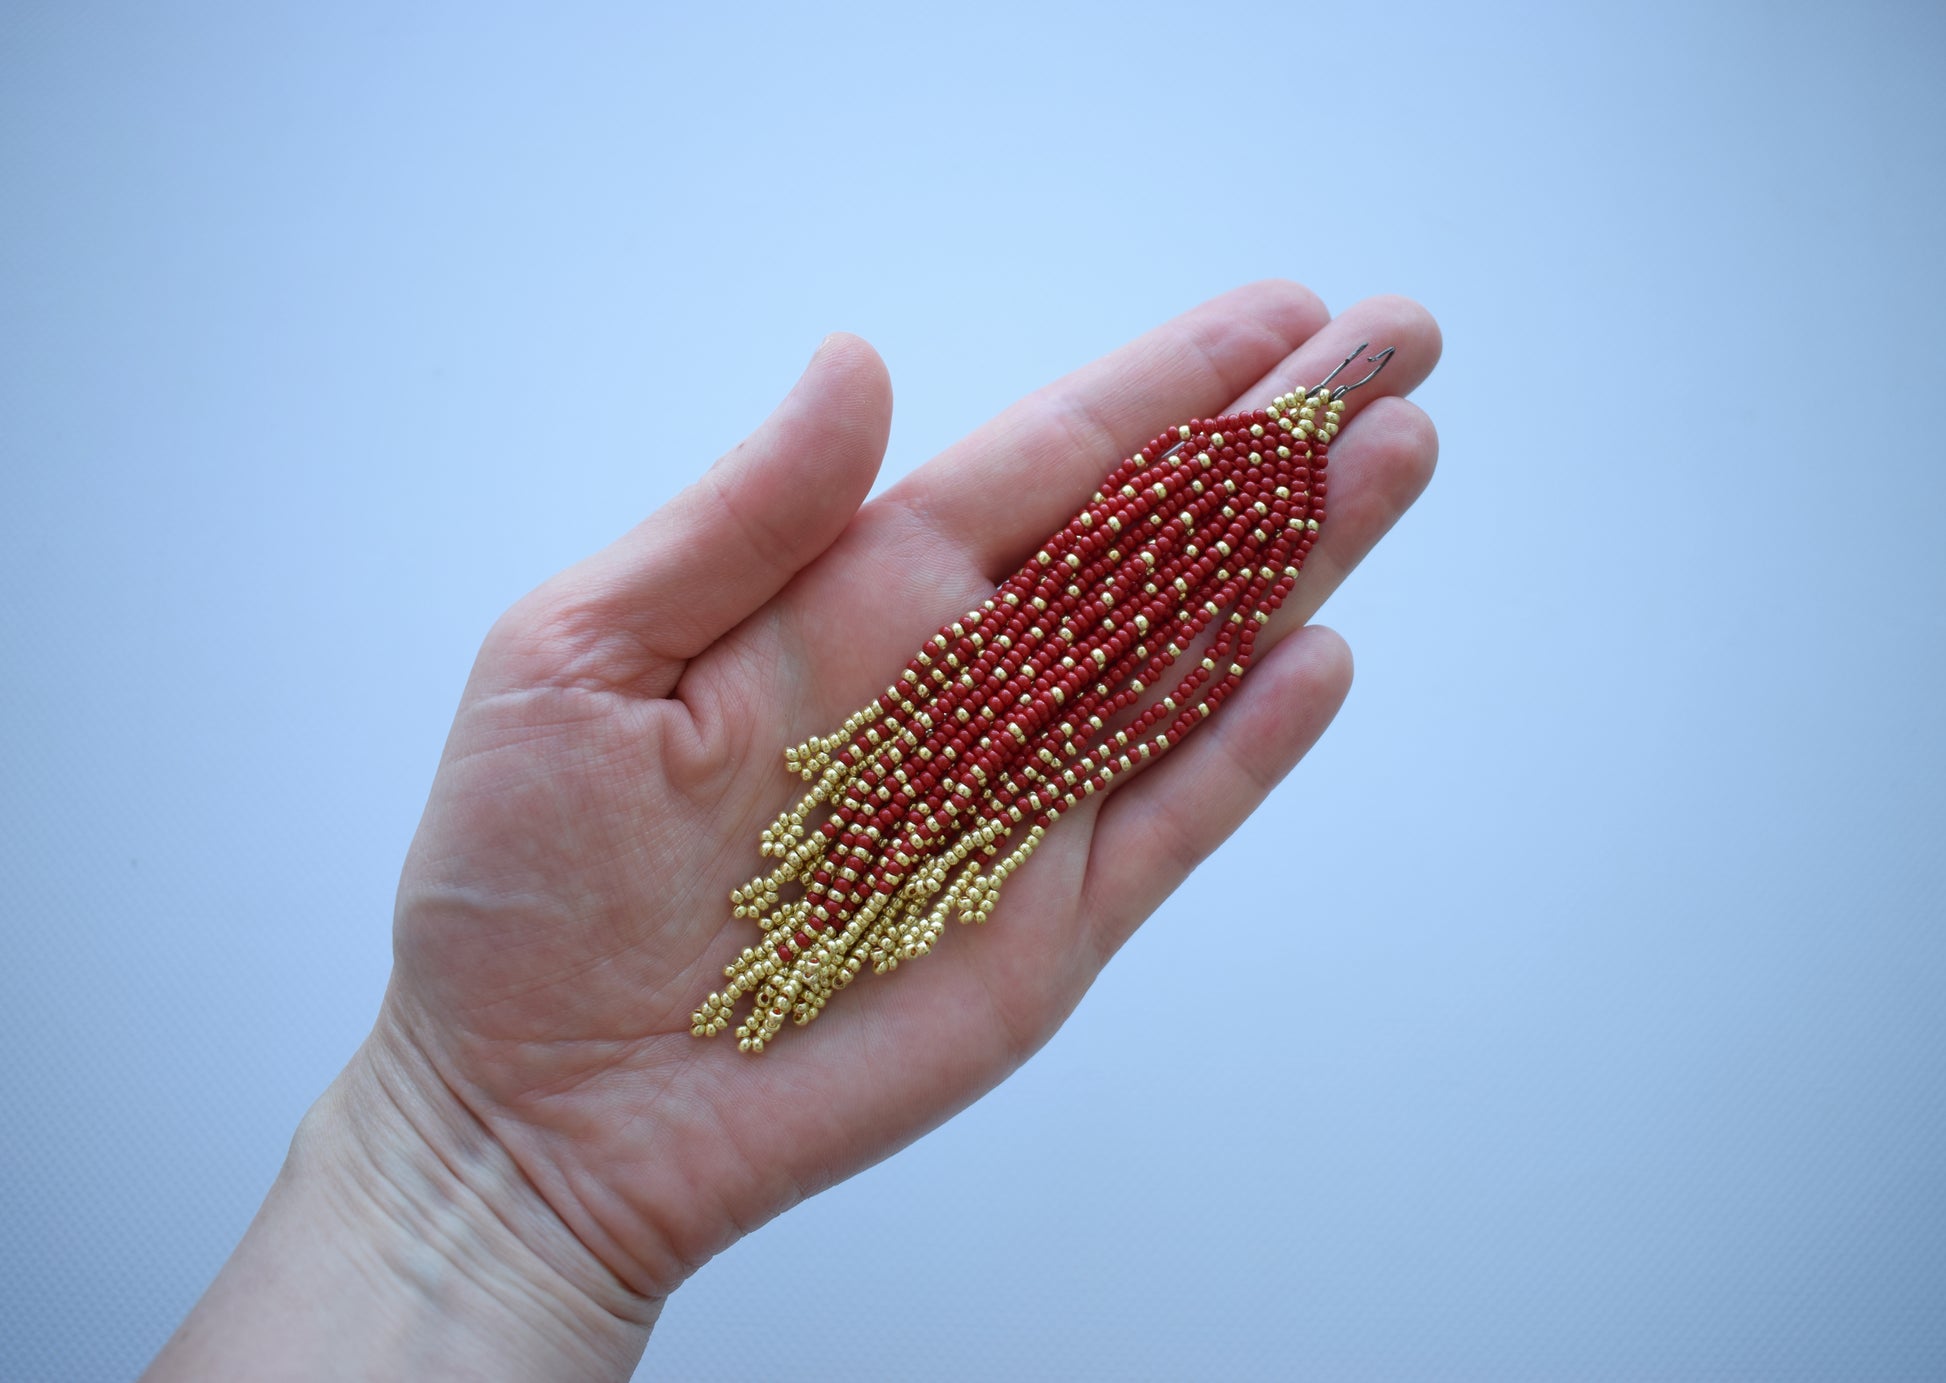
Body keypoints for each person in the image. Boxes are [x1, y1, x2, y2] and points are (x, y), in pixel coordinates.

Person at [141, 281, 1441, 1380]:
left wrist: (480, 1198)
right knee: (968, 759)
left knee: (1016, 763)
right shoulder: (1195, 505)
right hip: (856, 837)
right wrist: (457, 1138)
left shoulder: (1252, 510)